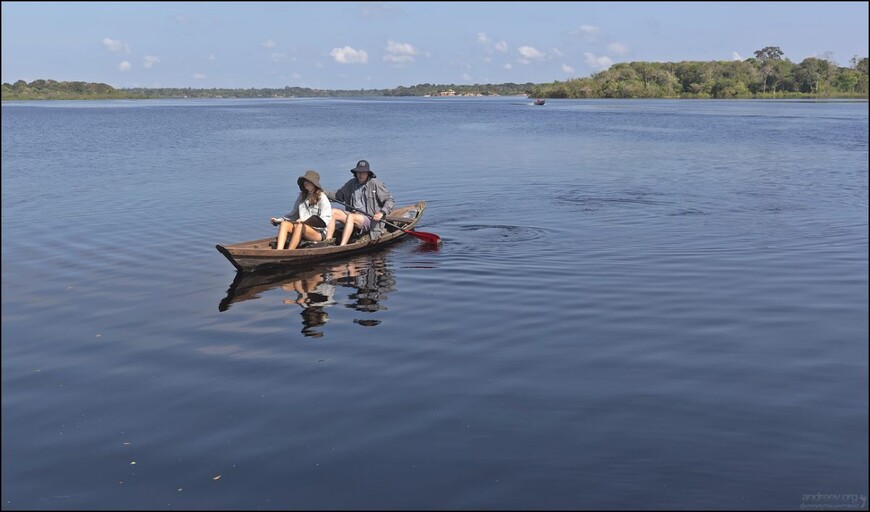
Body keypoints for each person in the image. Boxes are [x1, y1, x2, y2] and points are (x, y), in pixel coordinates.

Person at [326, 159, 395, 246]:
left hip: (371, 219)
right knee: (333, 212)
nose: (361, 175)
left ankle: (342, 246)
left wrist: (381, 213)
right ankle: (327, 242)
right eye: (359, 172)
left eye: (363, 172)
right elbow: (338, 195)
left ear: (368, 173)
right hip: (354, 216)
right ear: (356, 173)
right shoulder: (351, 184)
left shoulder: (375, 184)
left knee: (351, 217)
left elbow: (390, 201)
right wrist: (322, 193)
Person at [270, 170, 332, 250]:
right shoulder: (302, 196)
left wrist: (307, 223)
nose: (305, 183)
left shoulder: (322, 197)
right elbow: (292, 215)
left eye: (308, 181)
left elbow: (325, 219)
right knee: (284, 224)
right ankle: (279, 251)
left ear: (314, 184)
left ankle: (289, 252)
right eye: (305, 181)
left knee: (300, 226)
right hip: (301, 227)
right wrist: (278, 221)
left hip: (318, 233)